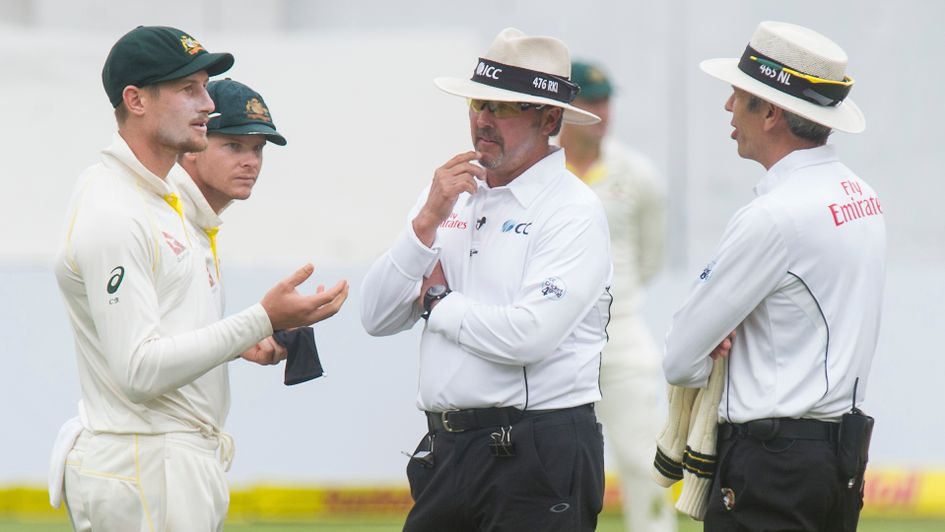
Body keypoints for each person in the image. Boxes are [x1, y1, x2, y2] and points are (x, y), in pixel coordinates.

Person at [51, 26, 348, 531]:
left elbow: (159, 335)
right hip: (145, 464)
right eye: (189, 89)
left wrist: (242, 340)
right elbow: (139, 372)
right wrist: (260, 319)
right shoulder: (115, 208)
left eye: (206, 87)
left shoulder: (157, 199)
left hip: (168, 462)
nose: (208, 104)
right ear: (135, 99)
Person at [360, 28, 613, 531]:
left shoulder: (573, 209)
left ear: (549, 118)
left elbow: (528, 336)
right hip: (447, 451)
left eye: (504, 107)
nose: (483, 119)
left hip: (538, 450)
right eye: (479, 102)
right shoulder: (447, 193)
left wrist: (436, 300)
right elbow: (376, 316)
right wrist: (426, 220)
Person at [662, 21, 885, 531]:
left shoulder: (775, 215)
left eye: (739, 96)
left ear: (771, 113)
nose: (727, 109)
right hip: (836, 457)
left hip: (772, 462)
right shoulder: (861, 196)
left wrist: (713, 349)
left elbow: (680, 359)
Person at [558, 61, 676, 532]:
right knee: (551, 462)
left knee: (643, 454)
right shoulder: (539, 173)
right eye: (588, 100)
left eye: (605, 100)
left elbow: (649, 260)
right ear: (563, 109)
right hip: (550, 339)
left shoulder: (638, 174)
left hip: (621, 331)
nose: (601, 111)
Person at [174, 77, 290, 365]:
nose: (251, 161)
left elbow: (174, 340)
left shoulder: (197, 223)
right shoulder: (166, 222)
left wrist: (239, 344)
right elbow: (142, 363)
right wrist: (260, 320)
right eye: (234, 146)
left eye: (258, 148)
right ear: (191, 145)